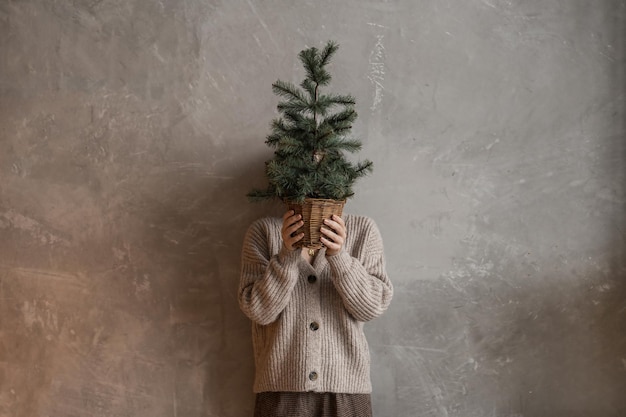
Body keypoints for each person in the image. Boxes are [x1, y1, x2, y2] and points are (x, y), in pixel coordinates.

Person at [239, 209, 393, 417]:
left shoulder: (362, 231)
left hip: (347, 391)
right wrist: (286, 256)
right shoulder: (264, 231)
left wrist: (340, 257)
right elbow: (259, 311)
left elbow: (372, 307)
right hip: (281, 390)